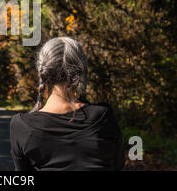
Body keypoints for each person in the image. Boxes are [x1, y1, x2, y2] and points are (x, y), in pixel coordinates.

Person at [10, 37, 125, 171]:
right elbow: (118, 165)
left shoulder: (21, 126)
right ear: (82, 70)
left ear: (41, 71)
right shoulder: (103, 116)